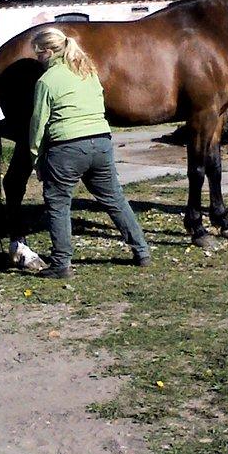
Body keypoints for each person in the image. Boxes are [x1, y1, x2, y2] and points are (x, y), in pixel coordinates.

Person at [29, 27, 151, 278]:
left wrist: (35, 158)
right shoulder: (88, 72)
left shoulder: (46, 81)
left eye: (38, 53)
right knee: (114, 198)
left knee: (58, 202)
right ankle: (142, 251)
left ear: (49, 52)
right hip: (101, 143)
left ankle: (61, 263)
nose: (37, 58)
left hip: (67, 148)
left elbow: (38, 124)